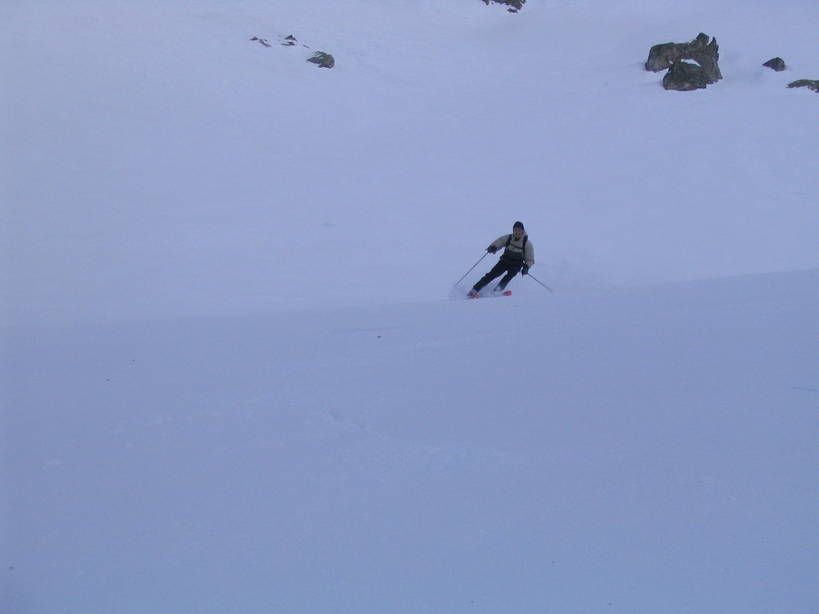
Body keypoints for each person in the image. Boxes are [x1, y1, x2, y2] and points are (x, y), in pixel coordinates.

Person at [468, 221, 535, 297]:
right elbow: (500, 241)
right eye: (515, 230)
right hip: (504, 261)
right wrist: (493, 247)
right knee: (491, 275)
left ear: (522, 231)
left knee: (508, 277)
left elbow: (530, 259)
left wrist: (526, 267)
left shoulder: (527, 244)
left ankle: (496, 291)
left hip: (516, 265)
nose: (517, 232)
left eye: (519, 230)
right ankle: (474, 290)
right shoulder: (509, 237)